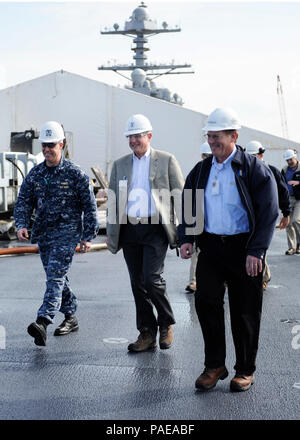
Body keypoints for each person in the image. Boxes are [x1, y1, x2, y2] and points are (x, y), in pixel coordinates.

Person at [178, 107, 278, 392]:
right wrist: (187, 238)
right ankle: (214, 365)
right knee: (206, 303)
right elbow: (189, 204)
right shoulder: (202, 170)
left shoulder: (253, 169)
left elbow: (269, 212)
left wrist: (256, 251)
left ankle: (245, 370)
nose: (212, 142)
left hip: (244, 248)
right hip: (211, 246)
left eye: (217, 136)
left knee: (245, 310)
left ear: (234, 135)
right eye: (209, 137)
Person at [14, 121, 99, 346]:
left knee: (54, 275)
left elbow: (89, 205)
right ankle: (71, 316)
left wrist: (88, 235)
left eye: (51, 145)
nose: (47, 150)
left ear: (61, 144)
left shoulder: (75, 174)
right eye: (44, 145)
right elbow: (24, 200)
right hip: (44, 234)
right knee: (58, 277)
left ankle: (43, 320)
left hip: (68, 233)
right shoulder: (37, 173)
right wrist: (21, 224)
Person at [106, 114, 184, 352]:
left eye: (138, 136)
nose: (133, 141)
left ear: (149, 136)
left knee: (152, 279)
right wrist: (111, 232)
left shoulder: (167, 160)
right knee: (137, 283)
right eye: (130, 137)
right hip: (129, 228)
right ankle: (146, 333)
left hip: (155, 228)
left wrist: (186, 232)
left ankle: (166, 323)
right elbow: (112, 199)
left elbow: (180, 195)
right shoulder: (120, 165)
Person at [245, 141, 291, 289]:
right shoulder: (244, 172)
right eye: (249, 156)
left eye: (254, 156)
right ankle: (263, 275)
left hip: (266, 216)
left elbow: (283, 192)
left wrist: (286, 213)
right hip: (249, 216)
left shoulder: (271, 171)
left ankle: (263, 277)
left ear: (261, 155)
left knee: (259, 246)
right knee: (250, 247)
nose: (251, 158)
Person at [185, 142, 212, 293]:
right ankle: (193, 281)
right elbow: (188, 200)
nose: (209, 158)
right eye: (206, 155)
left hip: (217, 225)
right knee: (196, 252)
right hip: (200, 220)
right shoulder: (198, 171)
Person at [281, 149, 300, 255]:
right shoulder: (284, 170)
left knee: (296, 220)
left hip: (299, 199)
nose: (289, 162)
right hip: (288, 199)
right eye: (287, 160)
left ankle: (299, 244)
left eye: (291, 159)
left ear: (296, 157)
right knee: (288, 223)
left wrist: (298, 182)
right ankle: (291, 247)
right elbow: (280, 184)